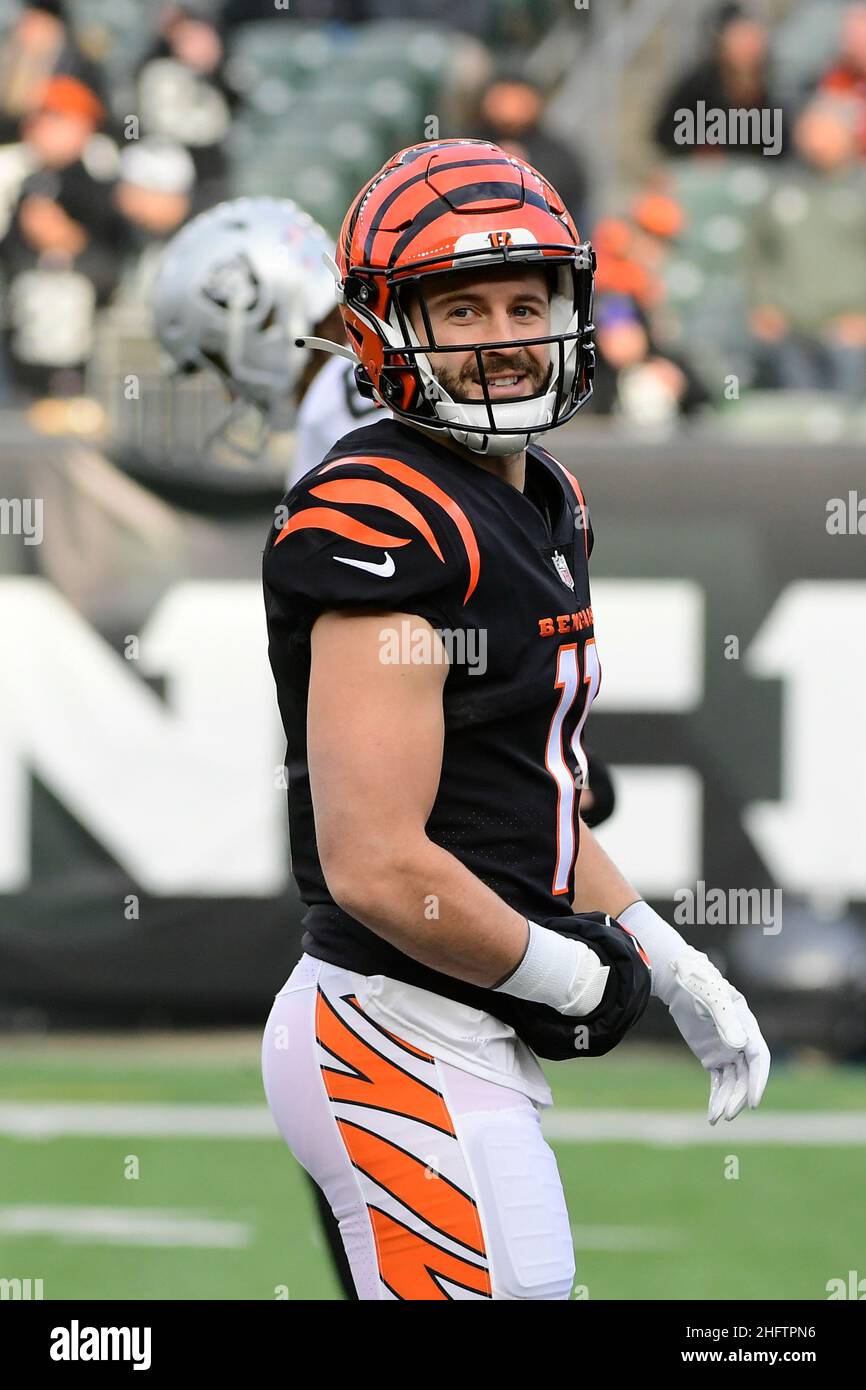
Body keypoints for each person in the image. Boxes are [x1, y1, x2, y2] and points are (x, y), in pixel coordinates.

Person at [259, 138, 771, 1301]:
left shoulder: (544, 494)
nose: (501, 332)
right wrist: (568, 980)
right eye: (461, 305)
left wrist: (667, 961)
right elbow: (380, 864)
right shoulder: (378, 504)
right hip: (389, 1030)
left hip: (450, 1028)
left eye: (524, 299)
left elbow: (522, 804)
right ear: (387, 327)